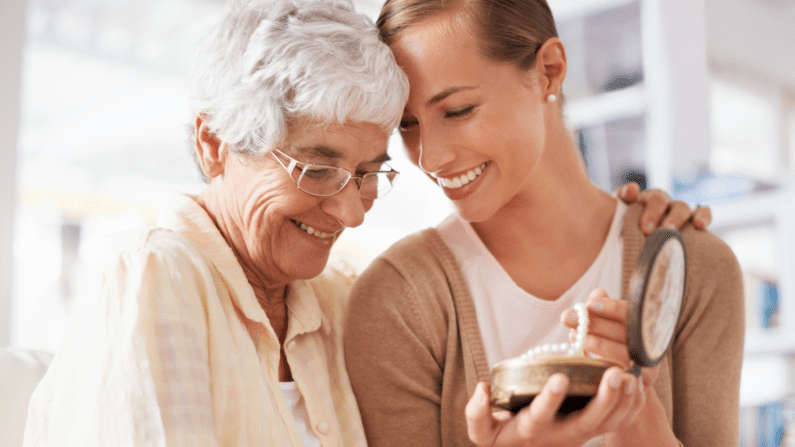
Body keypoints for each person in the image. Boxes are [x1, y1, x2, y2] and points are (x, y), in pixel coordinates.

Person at [343, 0, 743, 446]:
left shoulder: (692, 270)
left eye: (457, 111)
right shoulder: (397, 302)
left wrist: (633, 403)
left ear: (549, 71)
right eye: (409, 124)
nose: (430, 157)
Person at [23, 0, 409, 444]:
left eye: (367, 175)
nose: (353, 214)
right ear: (214, 144)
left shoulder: (338, 302)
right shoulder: (152, 275)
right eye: (316, 171)